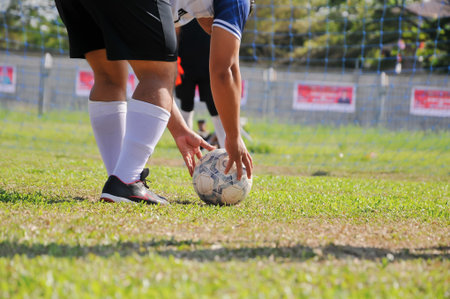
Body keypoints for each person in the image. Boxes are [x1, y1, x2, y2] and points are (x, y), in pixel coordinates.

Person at [55, 0, 215, 205]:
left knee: (109, 77)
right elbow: (222, 71)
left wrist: (180, 129)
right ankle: (126, 180)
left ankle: (118, 179)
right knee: (159, 72)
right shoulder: (227, 6)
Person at [170, 0, 255, 181]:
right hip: (187, 64)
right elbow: (227, 71)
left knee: (215, 104)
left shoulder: (194, 14)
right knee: (184, 101)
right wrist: (235, 137)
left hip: (208, 67)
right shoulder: (233, 5)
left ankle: (225, 149)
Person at [175, 19, 226, 148]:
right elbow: (175, 31)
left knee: (216, 107)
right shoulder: (182, 7)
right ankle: (189, 151)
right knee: (186, 106)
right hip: (184, 64)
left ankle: (226, 152)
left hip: (209, 65)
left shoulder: (212, 7)